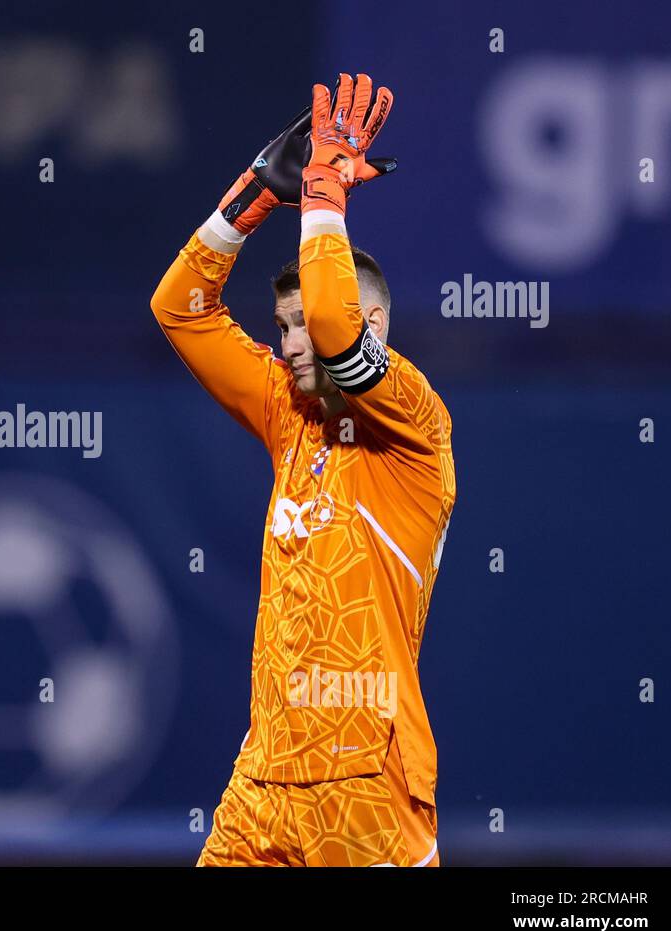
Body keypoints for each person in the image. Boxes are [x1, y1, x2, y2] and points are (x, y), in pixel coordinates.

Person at [149, 74, 455, 866]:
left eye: (297, 325)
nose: (288, 342)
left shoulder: (414, 425)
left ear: (375, 323)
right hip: (264, 779)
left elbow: (330, 320)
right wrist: (251, 197)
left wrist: (323, 188)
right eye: (278, 326)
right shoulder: (290, 415)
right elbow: (180, 308)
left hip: (367, 779)